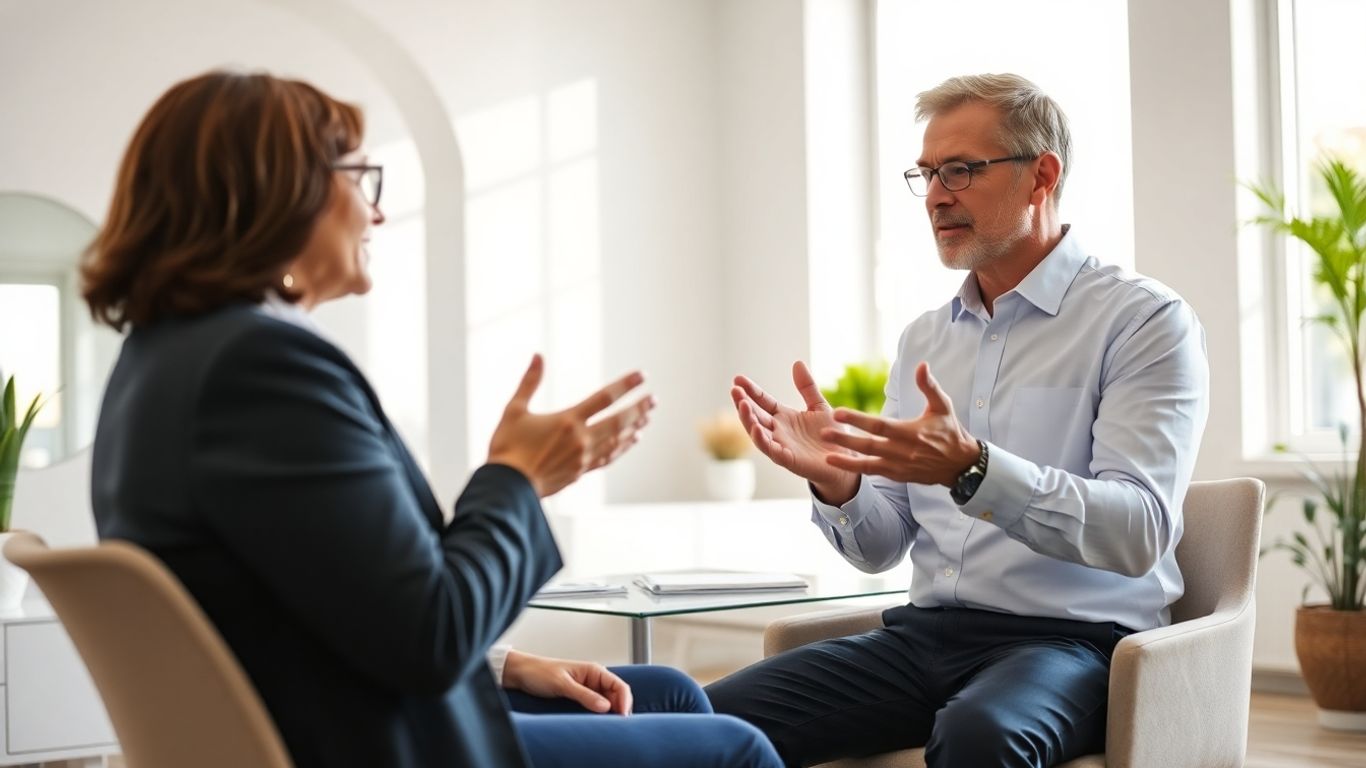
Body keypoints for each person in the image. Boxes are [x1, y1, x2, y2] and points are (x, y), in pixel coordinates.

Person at [81, 70, 781, 768]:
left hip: (329, 711)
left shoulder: (161, 359)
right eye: (362, 177)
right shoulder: (260, 369)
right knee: (737, 750)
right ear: (283, 189)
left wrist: (505, 666)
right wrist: (516, 477)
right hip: (369, 744)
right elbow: (431, 636)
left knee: (669, 691)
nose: (376, 214)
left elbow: (332, 602)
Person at [706, 73, 1210, 768]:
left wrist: (974, 470)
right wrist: (842, 485)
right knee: (704, 723)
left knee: (980, 738)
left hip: (1069, 642)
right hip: (922, 637)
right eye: (927, 174)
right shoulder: (925, 340)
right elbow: (881, 547)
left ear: (1042, 175)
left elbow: (1139, 530)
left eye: (961, 171)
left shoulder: (1143, 320)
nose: (937, 195)